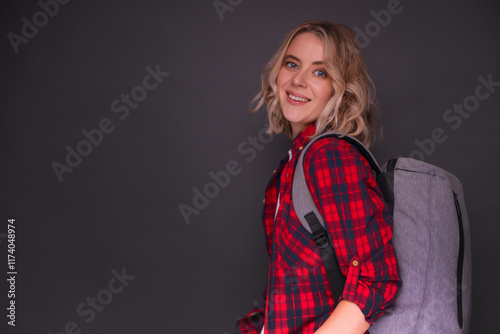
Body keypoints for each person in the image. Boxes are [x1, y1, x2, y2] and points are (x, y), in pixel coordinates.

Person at [236, 20, 401, 334]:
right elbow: (292, 290)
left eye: (319, 71)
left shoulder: (330, 157)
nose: (298, 80)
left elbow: (375, 280)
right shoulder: (295, 164)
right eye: (292, 64)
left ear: (341, 87)